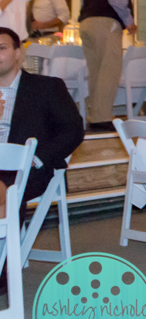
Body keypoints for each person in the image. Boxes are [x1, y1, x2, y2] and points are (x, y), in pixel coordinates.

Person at [0, 27, 84, 296]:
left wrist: (34, 159)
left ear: (18, 54)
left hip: (28, 168)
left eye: (1, 48)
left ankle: (2, 270)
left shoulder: (46, 88)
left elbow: (73, 130)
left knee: (3, 189)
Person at [79, 0, 136, 132]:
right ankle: (102, 117)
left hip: (86, 21)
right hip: (106, 22)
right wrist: (129, 22)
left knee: (95, 71)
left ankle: (94, 114)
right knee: (110, 70)